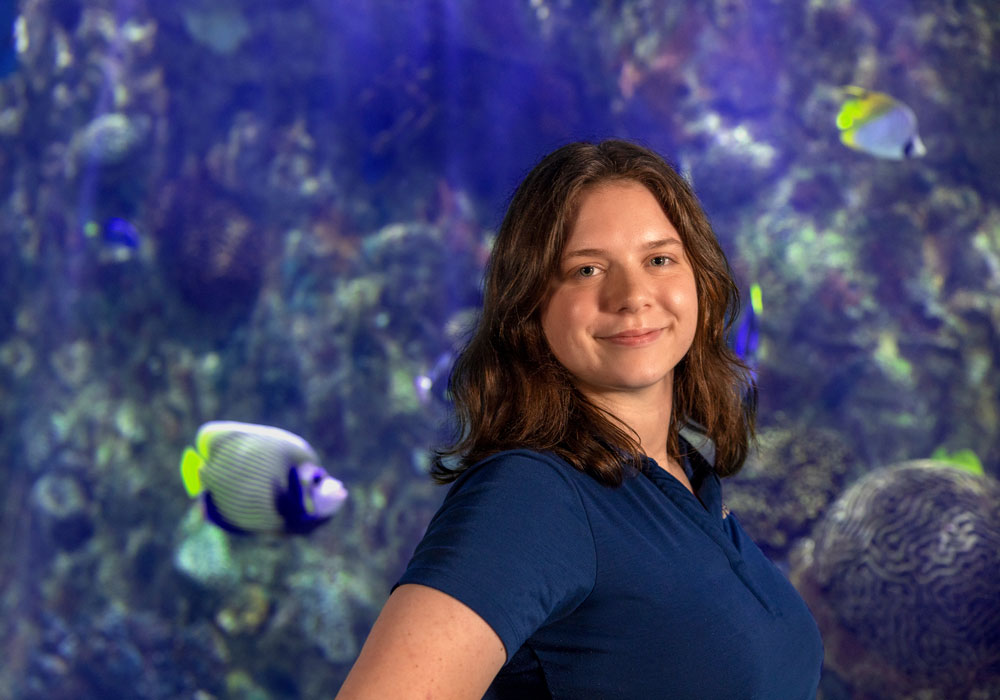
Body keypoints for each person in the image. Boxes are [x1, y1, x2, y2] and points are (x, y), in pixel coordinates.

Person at [335, 140, 823, 699]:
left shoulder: (686, 480)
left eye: (659, 259)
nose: (632, 295)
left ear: (700, 281)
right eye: (587, 269)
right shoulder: (532, 497)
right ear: (530, 305)